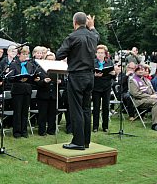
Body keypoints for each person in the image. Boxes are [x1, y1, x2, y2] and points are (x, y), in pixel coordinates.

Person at [55, 12, 99, 150]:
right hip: (90, 76)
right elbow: (97, 35)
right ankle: (86, 141)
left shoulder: (72, 37)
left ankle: (78, 142)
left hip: (77, 76)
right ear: (85, 23)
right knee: (86, 108)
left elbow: (59, 55)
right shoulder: (93, 36)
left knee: (76, 109)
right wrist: (92, 27)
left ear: (74, 22)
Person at [9, 46, 39, 138]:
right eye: (24, 54)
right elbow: (10, 78)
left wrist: (35, 79)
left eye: (27, 54)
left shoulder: (30, 65)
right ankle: (17, 132)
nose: (26, 56)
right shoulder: (14, 64)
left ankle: (24, 131)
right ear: (19, 54)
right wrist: (19, 79)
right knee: (17, 111)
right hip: (17, 90)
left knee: (25, 112)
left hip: (27, 90)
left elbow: (32, 76)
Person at [92, 45, 115, 133]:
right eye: (98, 53)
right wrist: (94, 75)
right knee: (96, 107)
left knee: (106, 106)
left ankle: (105, 126)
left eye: (102, 53)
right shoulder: (93, 62)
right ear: (96, 54)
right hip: (96, 87)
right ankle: (95, 126)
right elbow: (89, 73)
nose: (100, 55)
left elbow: (113, 76)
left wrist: (113, 73)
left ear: (105, 54)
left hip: (106, 86)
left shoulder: (109, 62)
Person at [35, 52, 57, 136]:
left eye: (52, 60)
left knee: (52, 114)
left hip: (53, 94)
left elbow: (62, 81)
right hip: (43, 95)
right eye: (49, 59)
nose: (50, 61)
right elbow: (36, 83)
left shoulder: (57, 69)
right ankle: (42, 131)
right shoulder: (39, 70)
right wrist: (43, 81)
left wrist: (59, 82)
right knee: (42, 114)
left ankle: (51, 130)